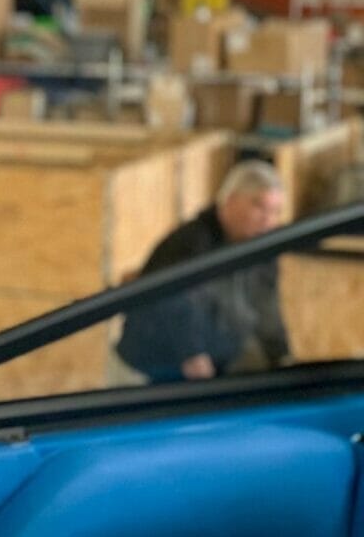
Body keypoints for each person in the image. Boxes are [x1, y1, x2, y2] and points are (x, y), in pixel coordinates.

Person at [116, 158, 290, 384]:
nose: (268, 220)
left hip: (216, 363)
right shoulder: (191, 243)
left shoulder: (261, 250)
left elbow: (266, 306)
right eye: (258, 207)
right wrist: (192, 353)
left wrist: (281, 358)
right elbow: (172, 298)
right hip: (162, 366)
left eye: (275, 211)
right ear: (230, 201)